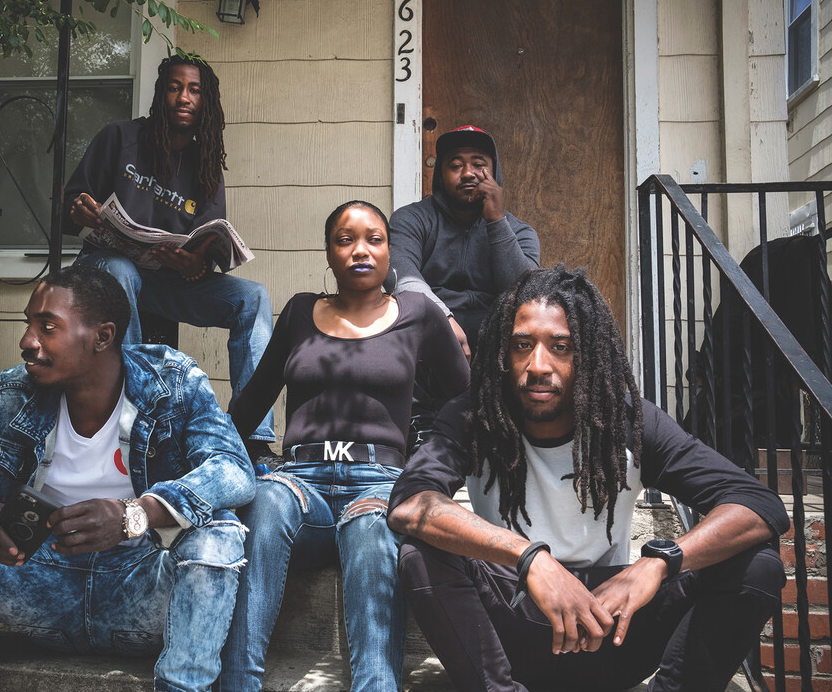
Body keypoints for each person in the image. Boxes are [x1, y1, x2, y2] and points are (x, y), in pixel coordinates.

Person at [387, 265, 789, 692]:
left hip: (611, 629)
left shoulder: (629, 423)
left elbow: (758, 504)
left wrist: (660, 562)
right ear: (504, 352)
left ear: (587, 355)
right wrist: (530, 559)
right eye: (522, 345)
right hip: (516, 629)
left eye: (560, 346)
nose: (538, 364)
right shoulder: (476, 416)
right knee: (420, 552)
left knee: (757, 562)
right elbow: (412, 502)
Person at [0, 264, 254, 692]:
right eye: (28, 324)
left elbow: (233, 468)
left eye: (48, 326)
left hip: (141, 590)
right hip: (37, 585)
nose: (27, 342)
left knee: (219, 530)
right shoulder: (14, 394)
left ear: (102, 336)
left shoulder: (170, 382)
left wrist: (135, 514)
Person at [221, 201, 472, 691]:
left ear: (389, 251)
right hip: (300, 484)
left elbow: (465, 405)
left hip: (378, 482)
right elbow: (251, 402)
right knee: (267, 499)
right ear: (329, 253)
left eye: (374, 239)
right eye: (345, 239)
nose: (361, 250)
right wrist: (212, 456)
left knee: (369, 526)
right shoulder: (298, 311)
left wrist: (427, 473)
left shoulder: (417, 314)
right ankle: (236, 683)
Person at [64, 54, 274, 452]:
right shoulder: (119, 137)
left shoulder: (206, 164)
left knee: (253, 297)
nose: (184, 97)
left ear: (206, 102)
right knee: (121, 268)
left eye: (195, 90)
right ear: (161, 93)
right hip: (104, 271)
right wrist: (79, 209)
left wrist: (193, 263)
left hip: (163, 280)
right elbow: (72, 205)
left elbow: (206, 251)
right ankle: (138, 415)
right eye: (175, 87)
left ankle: (253, 437)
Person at [390, 124, 540, 358]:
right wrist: (443, 319)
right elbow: (400, 276)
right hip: (429, 330)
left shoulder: (521, 232)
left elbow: (525, 294)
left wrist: (496, 222)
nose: (468, 173)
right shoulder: (411, 219)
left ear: (495, 172)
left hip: (497, 342)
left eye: (479, 165)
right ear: (440, 174)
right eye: (456, 166)